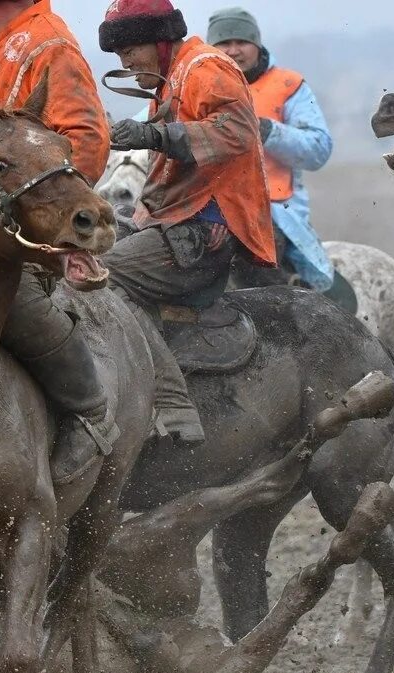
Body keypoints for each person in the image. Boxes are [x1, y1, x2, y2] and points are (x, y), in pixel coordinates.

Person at [0, 0, 121, 480]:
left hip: (13, 230)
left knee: (16, 306)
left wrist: (38, 216)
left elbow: (85, 141)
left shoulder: (49, 43)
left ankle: (91, 413)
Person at [97, 0, 277, 443]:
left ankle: (170, 401)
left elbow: (238, 133)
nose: (126, 63)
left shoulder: (204, 68)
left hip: (205, 228)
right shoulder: (173, 77)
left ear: (160, 41)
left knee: (103, 277)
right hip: (178, 219)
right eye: (118, 56)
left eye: (130, 51)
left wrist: (155, 135)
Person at [207, 7, 335, 292]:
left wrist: (268, 131)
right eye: (224, 43)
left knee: (256, 266)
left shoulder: (289, 86)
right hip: (205, 205)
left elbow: (319, 149)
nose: (234, 50)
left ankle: (289, 319)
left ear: (257, 44)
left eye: (241, 42)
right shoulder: (195, 84)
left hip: (271, 208)